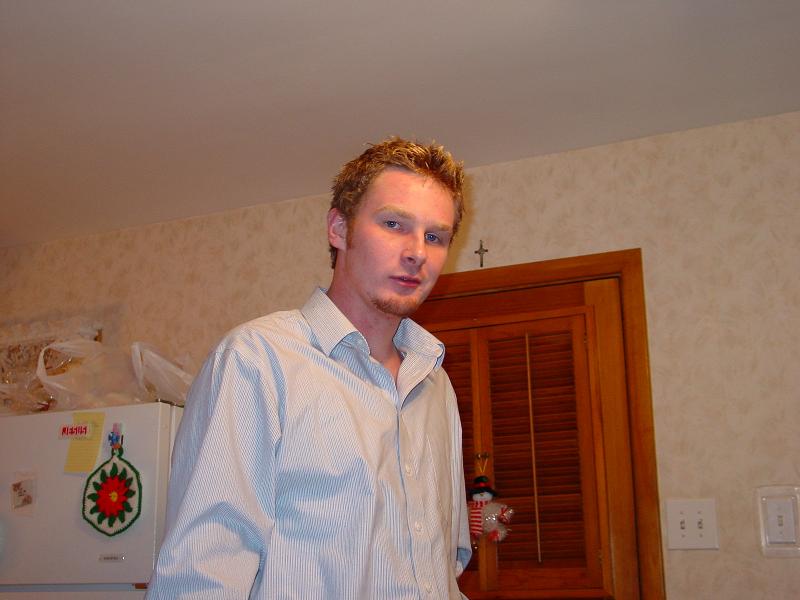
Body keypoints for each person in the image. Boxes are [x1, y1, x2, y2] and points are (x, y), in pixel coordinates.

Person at [146, 137, 472, 599]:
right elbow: (201, 576)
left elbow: (442, 566)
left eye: (435, 236)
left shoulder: (436, 385)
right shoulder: (257, 360)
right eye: (394, 224)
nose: (417, 252)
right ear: (339, 229)